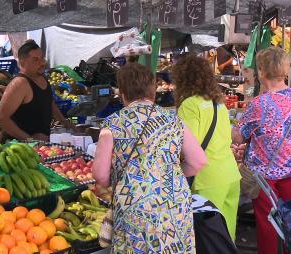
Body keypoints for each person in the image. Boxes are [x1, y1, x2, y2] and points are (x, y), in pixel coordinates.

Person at [93, 63, 208, 253]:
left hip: (135, 206)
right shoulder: (173, 119)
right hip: (174, 204)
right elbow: (199, 161)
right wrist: (169, 176)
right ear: (153, 89)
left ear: (122, 93)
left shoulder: (113, 123)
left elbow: (100, 176)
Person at [173, 54, 241, 240]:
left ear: (182, 78)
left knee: (208, 240)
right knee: (226, 238)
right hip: (230, 175)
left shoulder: (189, 105)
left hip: (207, 179)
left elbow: (186, 146)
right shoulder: (217, 103)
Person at [232, 46, 291, 254]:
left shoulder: (259, 103)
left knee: (269, 229)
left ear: (262, 72)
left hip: (266, 179)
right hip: (290, 175)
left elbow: (238, 135)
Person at [0, 40, 73, 143]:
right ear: (22, 62)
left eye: (42, 58)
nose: (42, 62)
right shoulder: (19, 84)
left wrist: (64, 122)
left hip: (40, 146)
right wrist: (29, 139)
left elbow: (49, 102)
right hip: (19, 148)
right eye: (35, 59)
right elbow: (0, 118)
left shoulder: (42, 78)